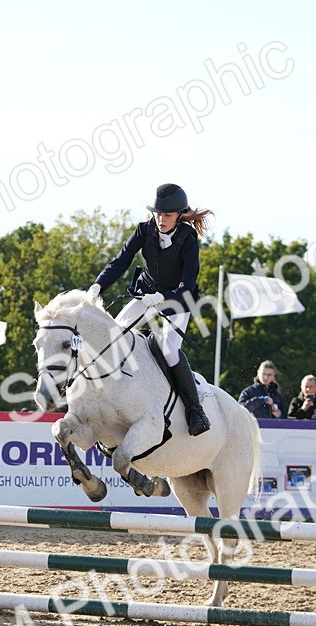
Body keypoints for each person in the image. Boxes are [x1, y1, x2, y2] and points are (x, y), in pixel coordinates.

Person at [87, 183, 213, 436]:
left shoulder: (188, 240)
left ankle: (195, 409)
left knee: (169, 349)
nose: (161, 219)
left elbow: (187, 285)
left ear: (179, 215)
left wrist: (163, 297)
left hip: (177, 300)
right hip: (146, 295)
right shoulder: (144, 231)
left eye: (167, 215)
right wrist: (98, 286)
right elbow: (120, 261)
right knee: (116, 334)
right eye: (158, 214)